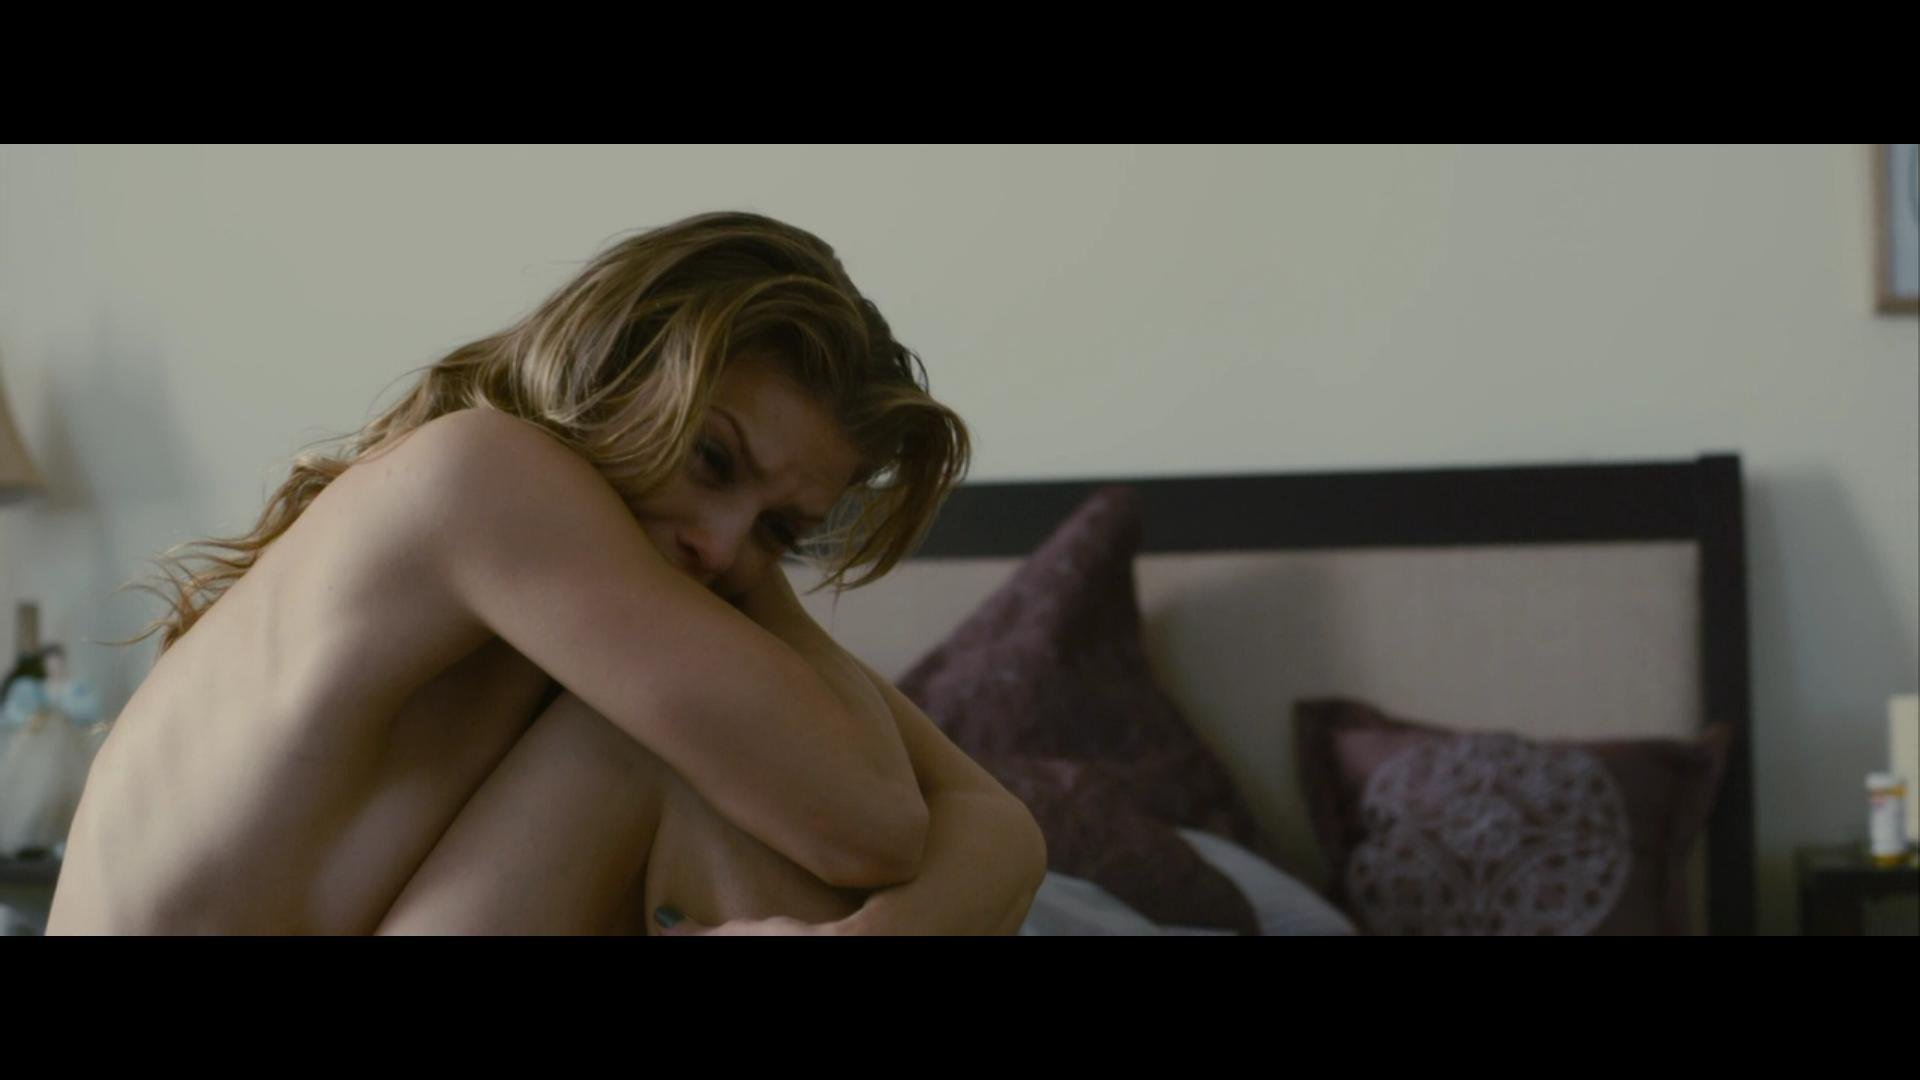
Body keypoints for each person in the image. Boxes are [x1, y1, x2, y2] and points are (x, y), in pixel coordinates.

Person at [45, 211, 1048, 935]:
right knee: (677, 759)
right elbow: (872, 826)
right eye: (712, 459)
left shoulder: (654, 580)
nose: (720, 544)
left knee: (717, 753)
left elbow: (1002, 826)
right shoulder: (481, 477)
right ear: (617, 372)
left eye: (781, 529)